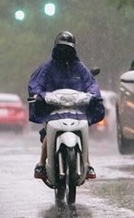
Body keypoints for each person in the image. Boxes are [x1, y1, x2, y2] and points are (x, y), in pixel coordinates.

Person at [28, 31, 104, 180]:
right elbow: (36, 84)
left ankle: (87, 163)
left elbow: (91, 84)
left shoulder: (79, 67)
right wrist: (39, 95)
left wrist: (93, 95)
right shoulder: (47, 67)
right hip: (52, 109)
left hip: (76, 110)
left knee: (83, 131)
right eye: (61, 48)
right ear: (56, 48)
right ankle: (41, 163)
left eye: (67, 48)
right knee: (48, 133)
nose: (64, 52)